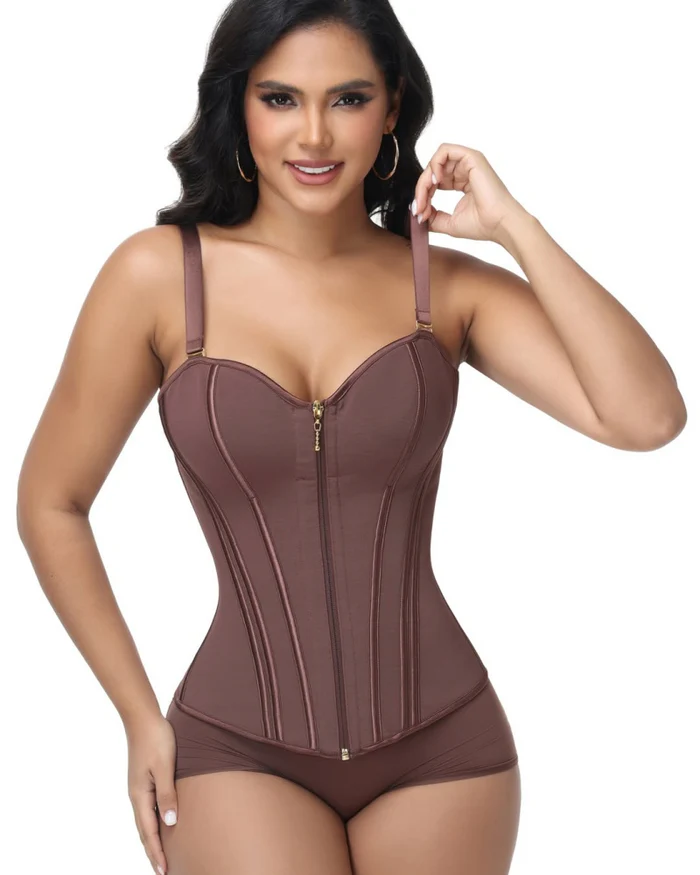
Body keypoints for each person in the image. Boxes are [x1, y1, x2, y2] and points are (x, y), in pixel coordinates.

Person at [16, 1, 686, 874]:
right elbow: (51, 500)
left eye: (349, 98)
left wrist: (515, 228)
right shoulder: (157, 276)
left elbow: (647, 416)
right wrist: (137, 714)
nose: (315, 135)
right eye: (281, 98)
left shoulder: (443, 288)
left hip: (444, 747)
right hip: (236, 747)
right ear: (238, 105)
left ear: (393, 106)